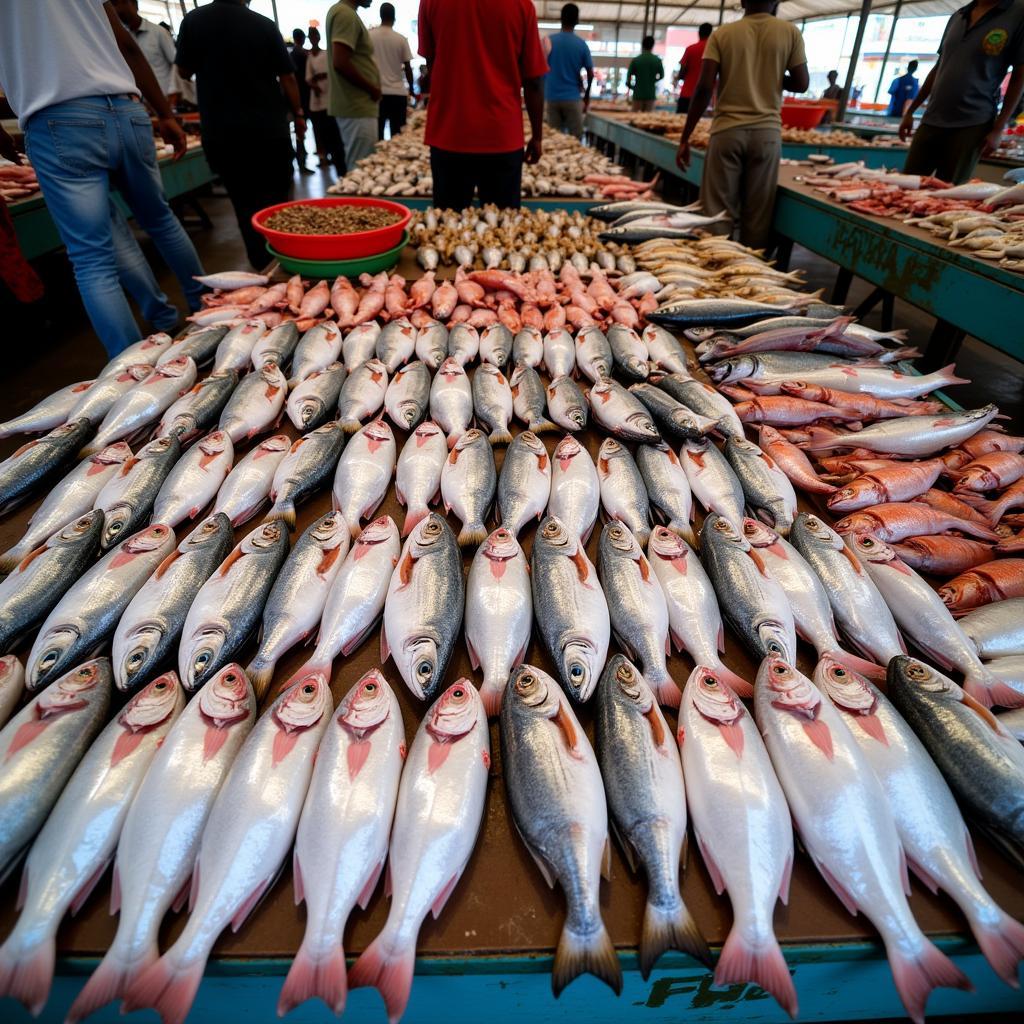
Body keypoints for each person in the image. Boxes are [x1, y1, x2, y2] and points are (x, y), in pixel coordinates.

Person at [0, 0, 205, 356]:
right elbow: (126, 44)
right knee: (162, 221)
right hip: (127, 111)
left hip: (59, 120)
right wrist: (166, 114)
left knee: (92, 258)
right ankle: (209, 313)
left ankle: (130, 372)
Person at [176, 0, 306, 268]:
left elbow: (183, 71)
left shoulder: (193, 22)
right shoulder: (264, 25)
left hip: (223, 134)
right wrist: (299, 113)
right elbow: (288, 78)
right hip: (269, 131)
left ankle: (261, 264)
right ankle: (286, 260)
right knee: (278, 199)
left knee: (244, 202)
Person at [675, 0, 809, 249]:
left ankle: (717, 267)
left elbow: (704, 87)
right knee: (757, 214)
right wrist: (773, 73)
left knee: (717, 212)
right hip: (766, 134)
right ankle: (751, 270)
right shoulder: (789, 32)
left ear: (743, 1)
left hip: (727, 131)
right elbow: (802, 84)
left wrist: (686, 137)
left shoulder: (724, 34)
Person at [418, 0, 547, 210]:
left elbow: (431, 65)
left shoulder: (431, 2)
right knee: (502, 229)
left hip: (449, 134)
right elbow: (533, 81)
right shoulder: (522, 5)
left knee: (447, 227)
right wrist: (537, 136)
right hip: (502, 137)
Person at [901, 0, 1024, 183]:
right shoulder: (959, 15)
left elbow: (1019, 76)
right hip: (932, 119)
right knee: (906, 185)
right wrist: (911, 111)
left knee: (948, 193)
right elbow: (939, 68)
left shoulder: (1018, 12)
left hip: (972, 124)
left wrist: (998, 128)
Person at [327, 0, 381, 170]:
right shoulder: (345, 14)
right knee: (360, 168)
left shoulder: (344, 12)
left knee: (360, 163)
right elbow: (340, 62)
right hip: (356, 105)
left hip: (356, 105)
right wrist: (371, 89)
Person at [112, 0, 179, 104]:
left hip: (166, 99)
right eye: (114, 5)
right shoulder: (123, 39)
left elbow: (175, 63)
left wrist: (173, 91)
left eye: (123, 2)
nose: (118, 9)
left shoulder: (159, 32)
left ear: (135, 5)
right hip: (141, 103)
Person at [543, 3, 594, 139]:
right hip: (572, 99)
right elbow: (590, 73)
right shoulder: (581, 45)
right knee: (575, 142)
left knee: (554, 140)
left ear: (561, 19)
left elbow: (540, 69)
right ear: (577, 20)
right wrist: (587, 96)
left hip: (552, 98)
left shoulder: (548, 41)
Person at [370, 3, 413, 140]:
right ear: (394, 18)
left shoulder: (369, 37)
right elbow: (407, 67)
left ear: (380, 16)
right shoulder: (401, 39)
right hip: (397, 93)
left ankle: (377, 161)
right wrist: (411, 89)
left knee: (378, 135)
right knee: (398, 136)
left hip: (376, 93)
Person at [306, 26, 344, 171]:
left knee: (332, 130)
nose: (314, 39)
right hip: (317, 99)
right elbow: (308, 78)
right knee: (318, 130)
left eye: (315, 36)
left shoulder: (327, 54)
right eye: (311, 36)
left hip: (329, 97)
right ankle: (323, 157)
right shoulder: (310, 57)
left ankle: (334, 155)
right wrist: (316, 85)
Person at [290, 28, 315, 174]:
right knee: (303, 130)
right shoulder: (303, 55)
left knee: (300, 132)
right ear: (303, 38)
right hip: (306, 98)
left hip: (297, 99)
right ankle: (302, 161)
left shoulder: (292, 54)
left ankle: (301, 160)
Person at [677, 23, 712, 114]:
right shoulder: (713, 50)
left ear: (699, 33)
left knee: (681, 123)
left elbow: (681, 74)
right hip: (704, 97)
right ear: (711, 34)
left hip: (687, 94)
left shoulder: (691, 49)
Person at [627, 36, 664, 112]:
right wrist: (653, 80)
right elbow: (662, 75)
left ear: (642, 45)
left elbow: (628, 77)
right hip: (650, 94)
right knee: (647, 118)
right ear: (653, 45)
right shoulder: (657, 60)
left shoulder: (636, 60)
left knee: (635, 118)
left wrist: (632, 86)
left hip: (638, 94)